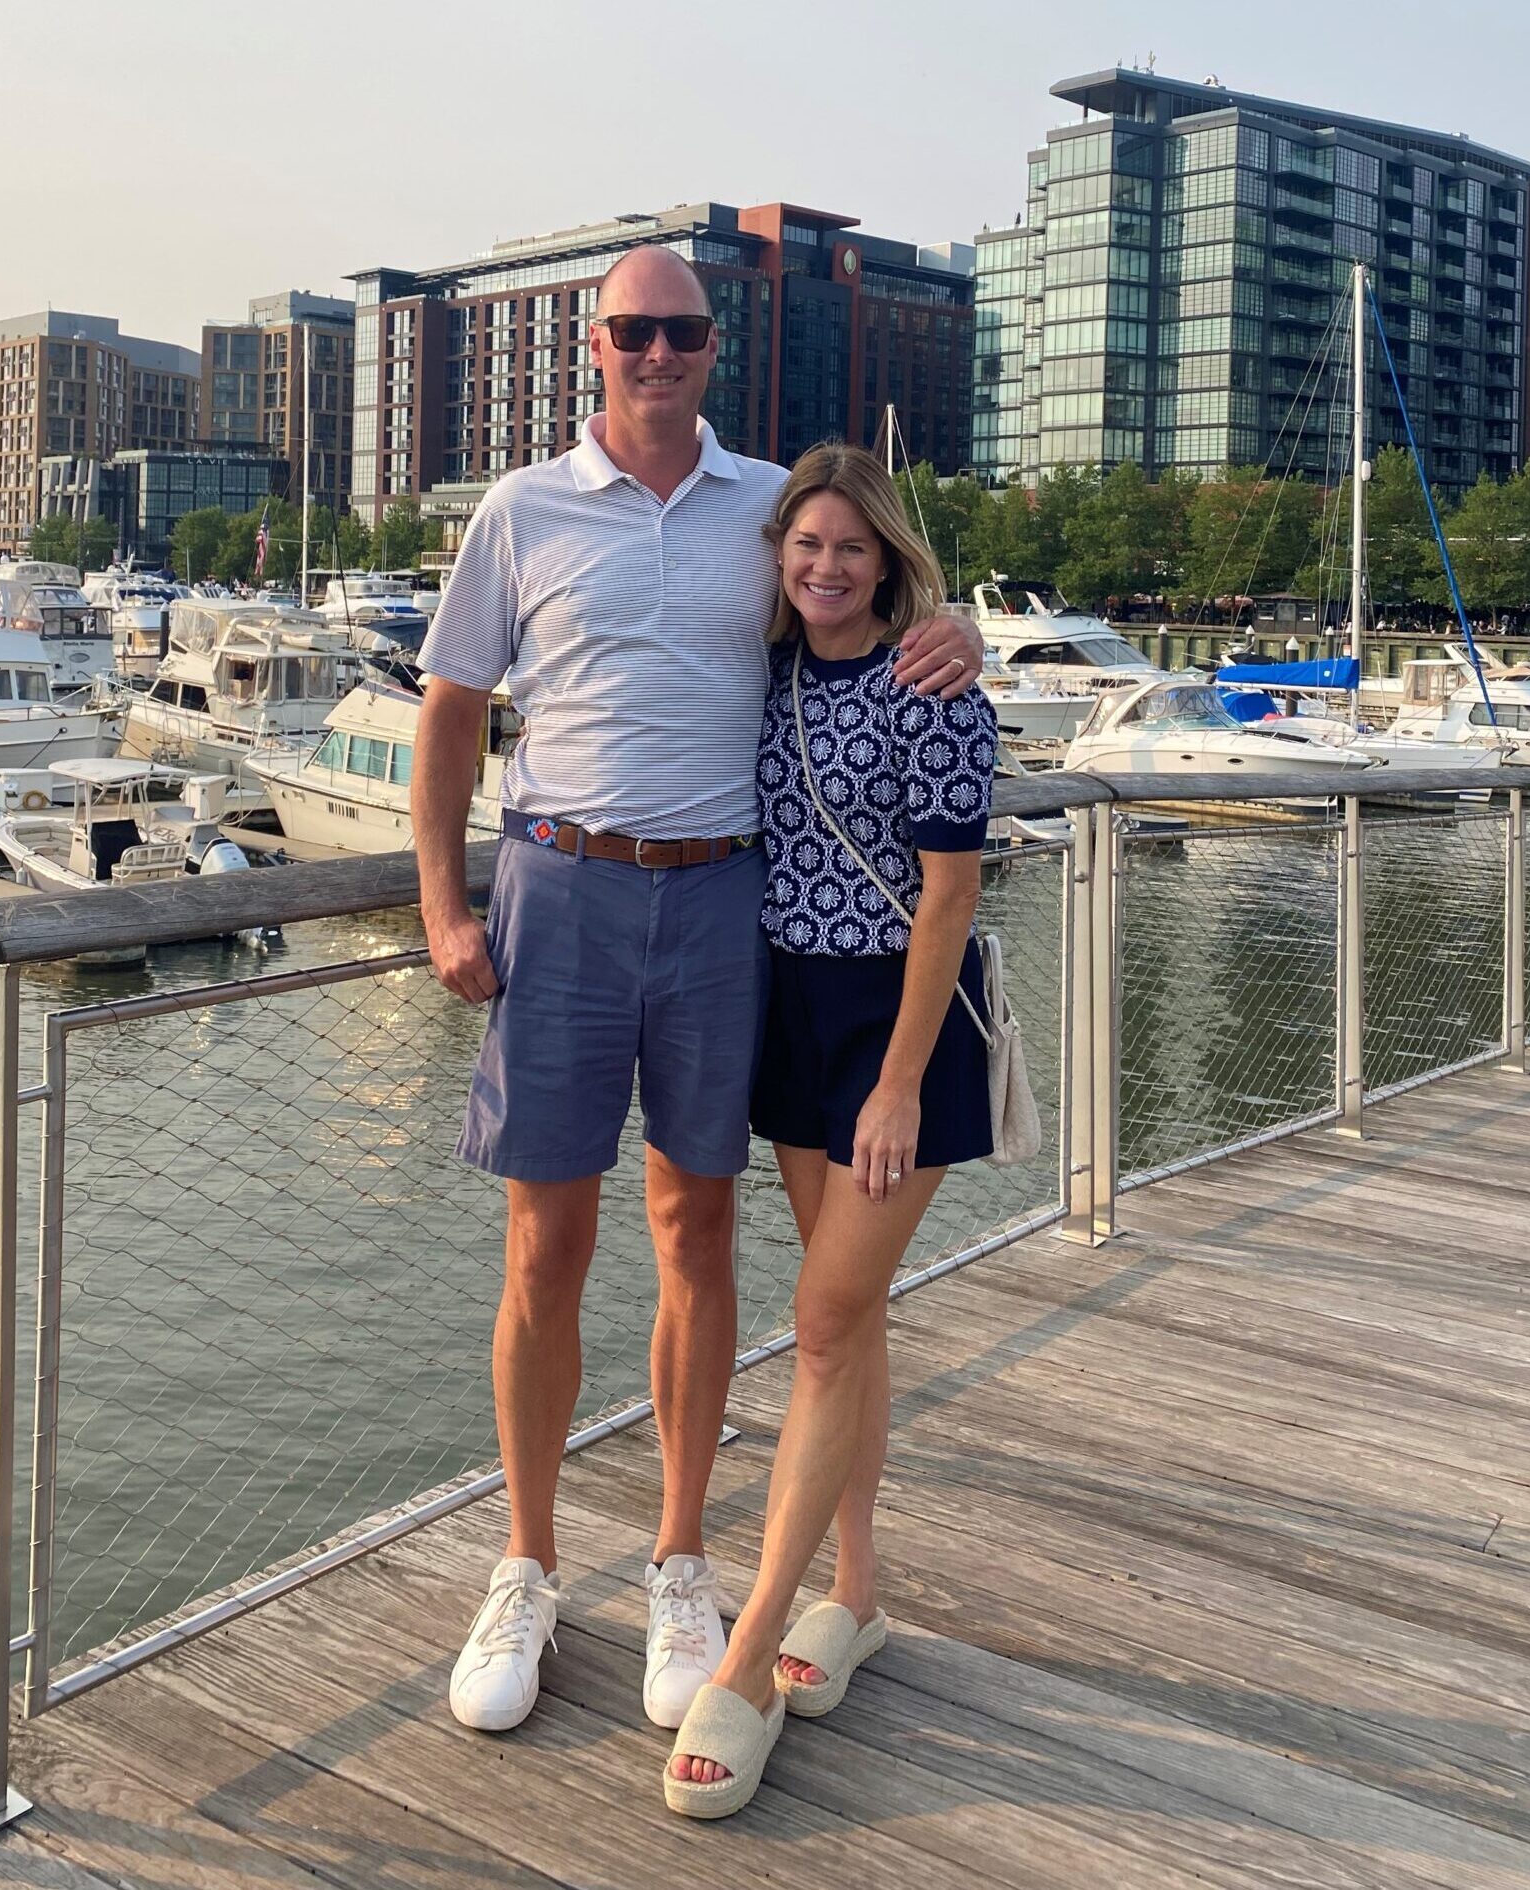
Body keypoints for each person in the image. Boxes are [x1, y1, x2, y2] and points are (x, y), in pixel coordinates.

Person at [411, 244, 983, 1740]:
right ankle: (528, 1562)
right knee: (545, 1241)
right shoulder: (520, 508)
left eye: (681, 330)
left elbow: (858, 604)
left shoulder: (767, 508)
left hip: (725, 898)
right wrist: (443, 900)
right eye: (632, 331)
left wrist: (959, 630)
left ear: (712, 346)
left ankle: (680, 1559)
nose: (656, 352)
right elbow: (453, 712)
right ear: (593, 347)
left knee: (695, 1228)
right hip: (560, 888)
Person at [663, 442, 999, 1819]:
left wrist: (901, 1082)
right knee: (843, 1324)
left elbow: (951, 896)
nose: (825, 566)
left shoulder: (935, 688)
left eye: (851, 546)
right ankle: (854, 1595)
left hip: (896, 1029)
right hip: (791, 1013)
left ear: (888, 558)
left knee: (817, 1321)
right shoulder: (770, 673)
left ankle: (747, 1656)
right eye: (805, 544)